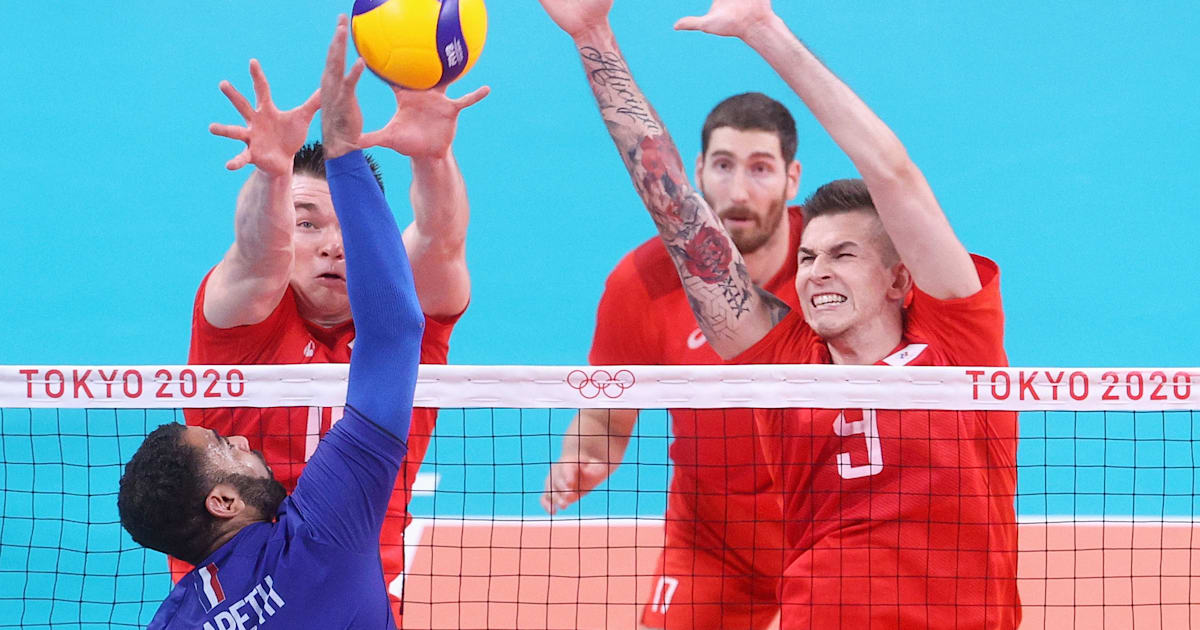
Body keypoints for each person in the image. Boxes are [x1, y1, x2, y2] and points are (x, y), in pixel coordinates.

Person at [536, 1, 1019, 628]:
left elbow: (893, 174)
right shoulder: (783, 362)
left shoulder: (958, 342)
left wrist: (764, 31)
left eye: (844, 254)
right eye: (809, 256)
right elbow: (675, 210)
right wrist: (593, 37)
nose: (816, 271)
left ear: (899, 279)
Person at [119, 17, 433, 627]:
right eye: (222, 446)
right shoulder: (325, 539)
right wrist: (342, 151)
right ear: (222, 500)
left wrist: (277, 173)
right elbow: (395, 333)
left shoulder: (176, 619)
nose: (236, 439)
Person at [177, 8, 488, 620]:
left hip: (361, 593)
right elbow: (258, 253)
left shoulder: (411, 325)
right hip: (236, 600)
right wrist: (273, 175)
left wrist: (434, 159)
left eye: (350, 225)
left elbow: (440, 238)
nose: (334, 245)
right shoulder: (238, 321)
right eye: (308, 222)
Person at [541, 92, 802, 629]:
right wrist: (584, 454)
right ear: (698, 171)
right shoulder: (641, 284)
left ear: (791, 179)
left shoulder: (833, 268)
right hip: (715, 542)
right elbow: (605, 418)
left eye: (760, 169)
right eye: (724, 166)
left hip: (828, 530)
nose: (738, 191)